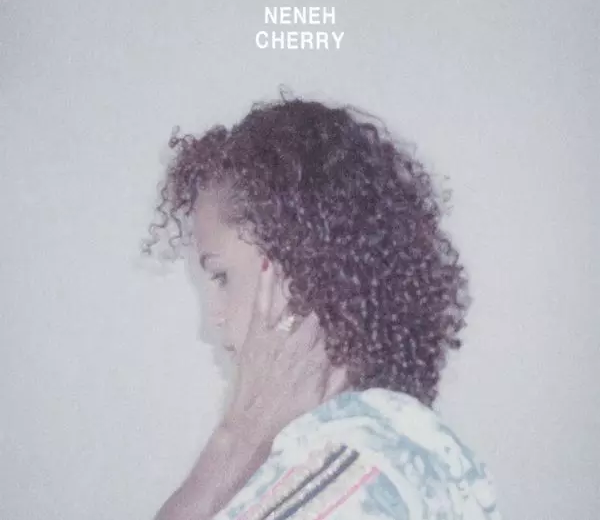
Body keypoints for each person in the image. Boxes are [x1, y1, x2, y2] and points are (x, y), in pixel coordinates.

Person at [141, 93, 501, 520]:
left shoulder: (350, 475)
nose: (213, 318)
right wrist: (238, 437)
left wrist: (238, 435)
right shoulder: (389, 441)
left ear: (296, 274)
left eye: (221, 277)